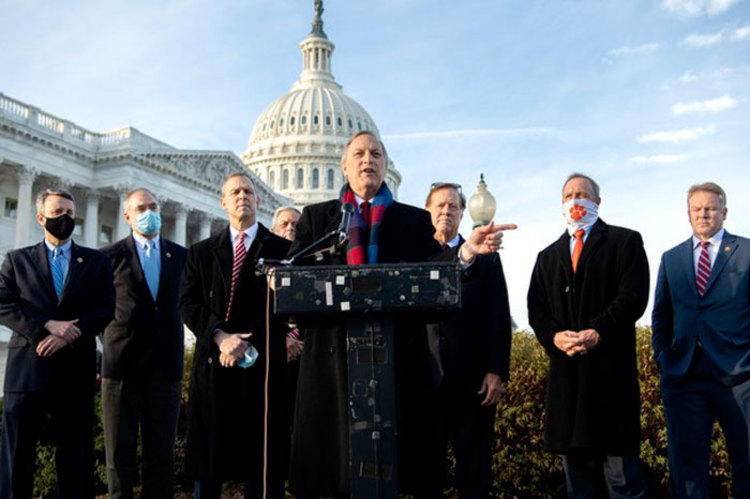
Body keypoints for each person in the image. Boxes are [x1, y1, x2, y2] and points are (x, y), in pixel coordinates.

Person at [288, 130, 512, 497]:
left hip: (398, 362)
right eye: (359, 153)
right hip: (332, 364)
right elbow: (296, 275)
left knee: (398, 472)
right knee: (336, 473)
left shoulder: (411, 221)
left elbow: (435, 271)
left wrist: (466, 254)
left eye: (376, 153)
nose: (367, 160)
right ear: (344, 166)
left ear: (385, 166)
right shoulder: (318, 219)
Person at [527, 173, 649, 498]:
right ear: (562, 205)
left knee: (622, 481)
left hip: (611, 382)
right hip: (568, 386)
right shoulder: (547, 257)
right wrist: (553, 337)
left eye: (583, 194)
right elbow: (536, 310)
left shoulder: (625, 242)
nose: (576, 200)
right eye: (569, 195)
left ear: (597, 201)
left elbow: (633, 297)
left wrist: (599, 329)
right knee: (579, 486)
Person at [179, 172, 292, 499]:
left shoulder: (283, 249)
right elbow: (187, 303)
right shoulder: (201, 252)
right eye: (234, 192)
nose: (242, 196)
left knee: (263, 463)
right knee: (210, 462)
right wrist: (219, 336)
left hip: (262, 367)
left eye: (248, 191)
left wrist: (242, 342)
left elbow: (284, 308)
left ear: (258, 201)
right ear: (223, 202)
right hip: (214, 365)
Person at [0, 187, 115, 498]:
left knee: (76, 457)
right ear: (41, 218)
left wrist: (67, 335)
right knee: (16, 457)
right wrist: (45, 328)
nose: (64, 219)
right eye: (57, 213)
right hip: (28, 369)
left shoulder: (95, 262)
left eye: (69, 213)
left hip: (74, 370)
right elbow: (4, 304)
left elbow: (105, 308)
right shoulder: (16, 260)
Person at [652, 182, 750, 498]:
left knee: (747, 461)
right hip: (684, 376)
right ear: (688, 214)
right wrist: (663, 358)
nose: (703, 214)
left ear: (724, 212)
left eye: (710, 208)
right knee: (687, 467)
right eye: (697, 209)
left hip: (740, 375)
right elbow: (661, 315)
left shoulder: (747, 251)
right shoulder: (672, 258)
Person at [425, 182, 512, 498]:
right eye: (439, 206)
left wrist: (496, 369)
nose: (446, 211)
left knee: (474, 474)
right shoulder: (416, 255)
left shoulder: (487, 258)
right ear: (427, 212)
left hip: (473, 384)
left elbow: (499, 316)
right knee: (426, 477)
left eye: (453, 207)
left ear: (463, 214)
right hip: (425, 383)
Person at [100, 188, 187, 499]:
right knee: (118, 455)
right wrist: (113, 340)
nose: (148, 213)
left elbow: (187, 304)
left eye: (153, 206)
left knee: (161, 455)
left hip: (165, 366)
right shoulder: (108, 257)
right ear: (127, 216)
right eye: (141, 208)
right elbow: (98, 310)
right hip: (121, 366)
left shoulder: (180, 255)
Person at [270, 206, 304, 429]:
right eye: (284, 224)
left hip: (307, 352)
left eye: (296, 225)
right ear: (273, 230)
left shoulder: (315, 261)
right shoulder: (265, 263)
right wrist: (280, 338)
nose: (290, 228)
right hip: (274, 353)